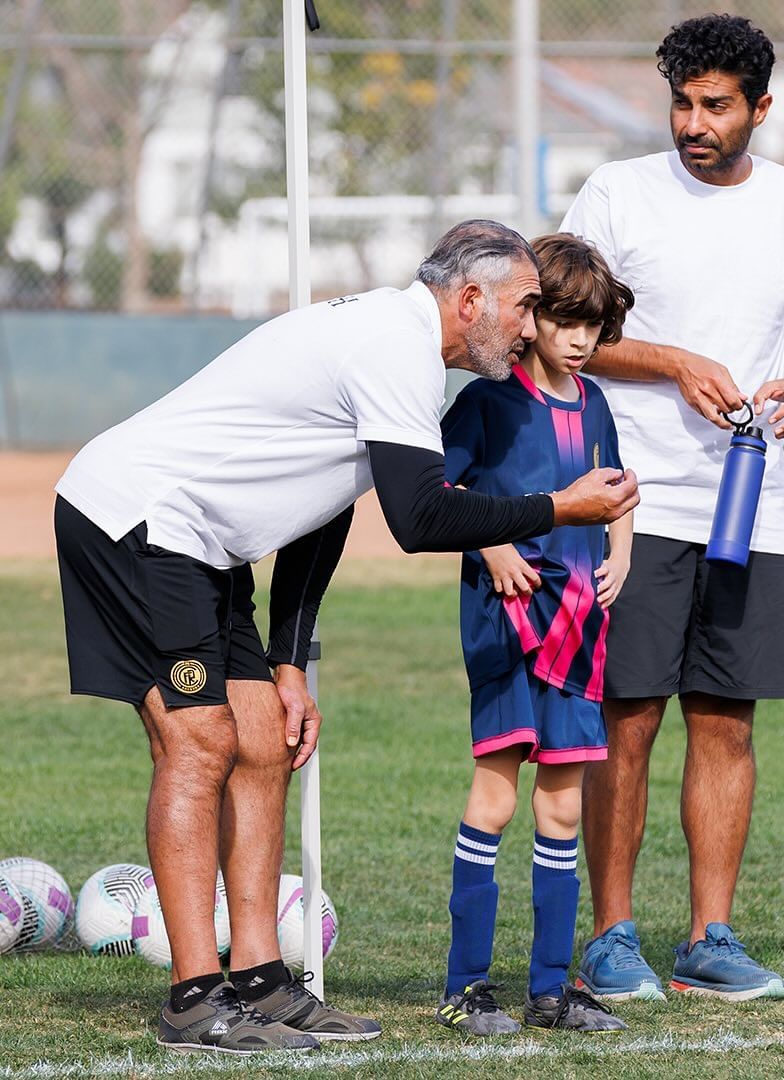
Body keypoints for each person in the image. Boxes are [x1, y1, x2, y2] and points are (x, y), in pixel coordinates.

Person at [53, 220, 639, 1055]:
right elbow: (420, 518)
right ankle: (193, 999)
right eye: (523, 307)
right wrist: (559, 507)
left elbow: (323, 512)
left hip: (204, 544)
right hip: (137, 520)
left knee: (264, 737)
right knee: (200, 741)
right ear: (470, 300)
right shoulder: (394, 347)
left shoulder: (402, 347)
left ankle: (260, 979)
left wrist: (289, 662)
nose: (528, 327)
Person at [560, 15, 784, 1002]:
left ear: (760, 109)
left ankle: (709, 939)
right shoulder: (618, 194)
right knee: (628, 718)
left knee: (727, 720)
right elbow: (566, 330)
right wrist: (672, 361)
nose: (694, 123)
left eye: (716, 106)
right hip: (632, 502)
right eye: (682, 103)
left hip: (748, 505)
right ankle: (611, 938)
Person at [434, 234, 635, 1036]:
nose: (579, 339)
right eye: (563, 320)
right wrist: (492, 546)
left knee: (562, 809)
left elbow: (619, 489)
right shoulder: (487, 401)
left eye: (593, 325)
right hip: (508, 626)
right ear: (531, 317)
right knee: (496, 797)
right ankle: (465, 988)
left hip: (580, 630)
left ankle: (551, 990)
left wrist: (621, 554)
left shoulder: (596, 404)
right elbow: (436, 493)